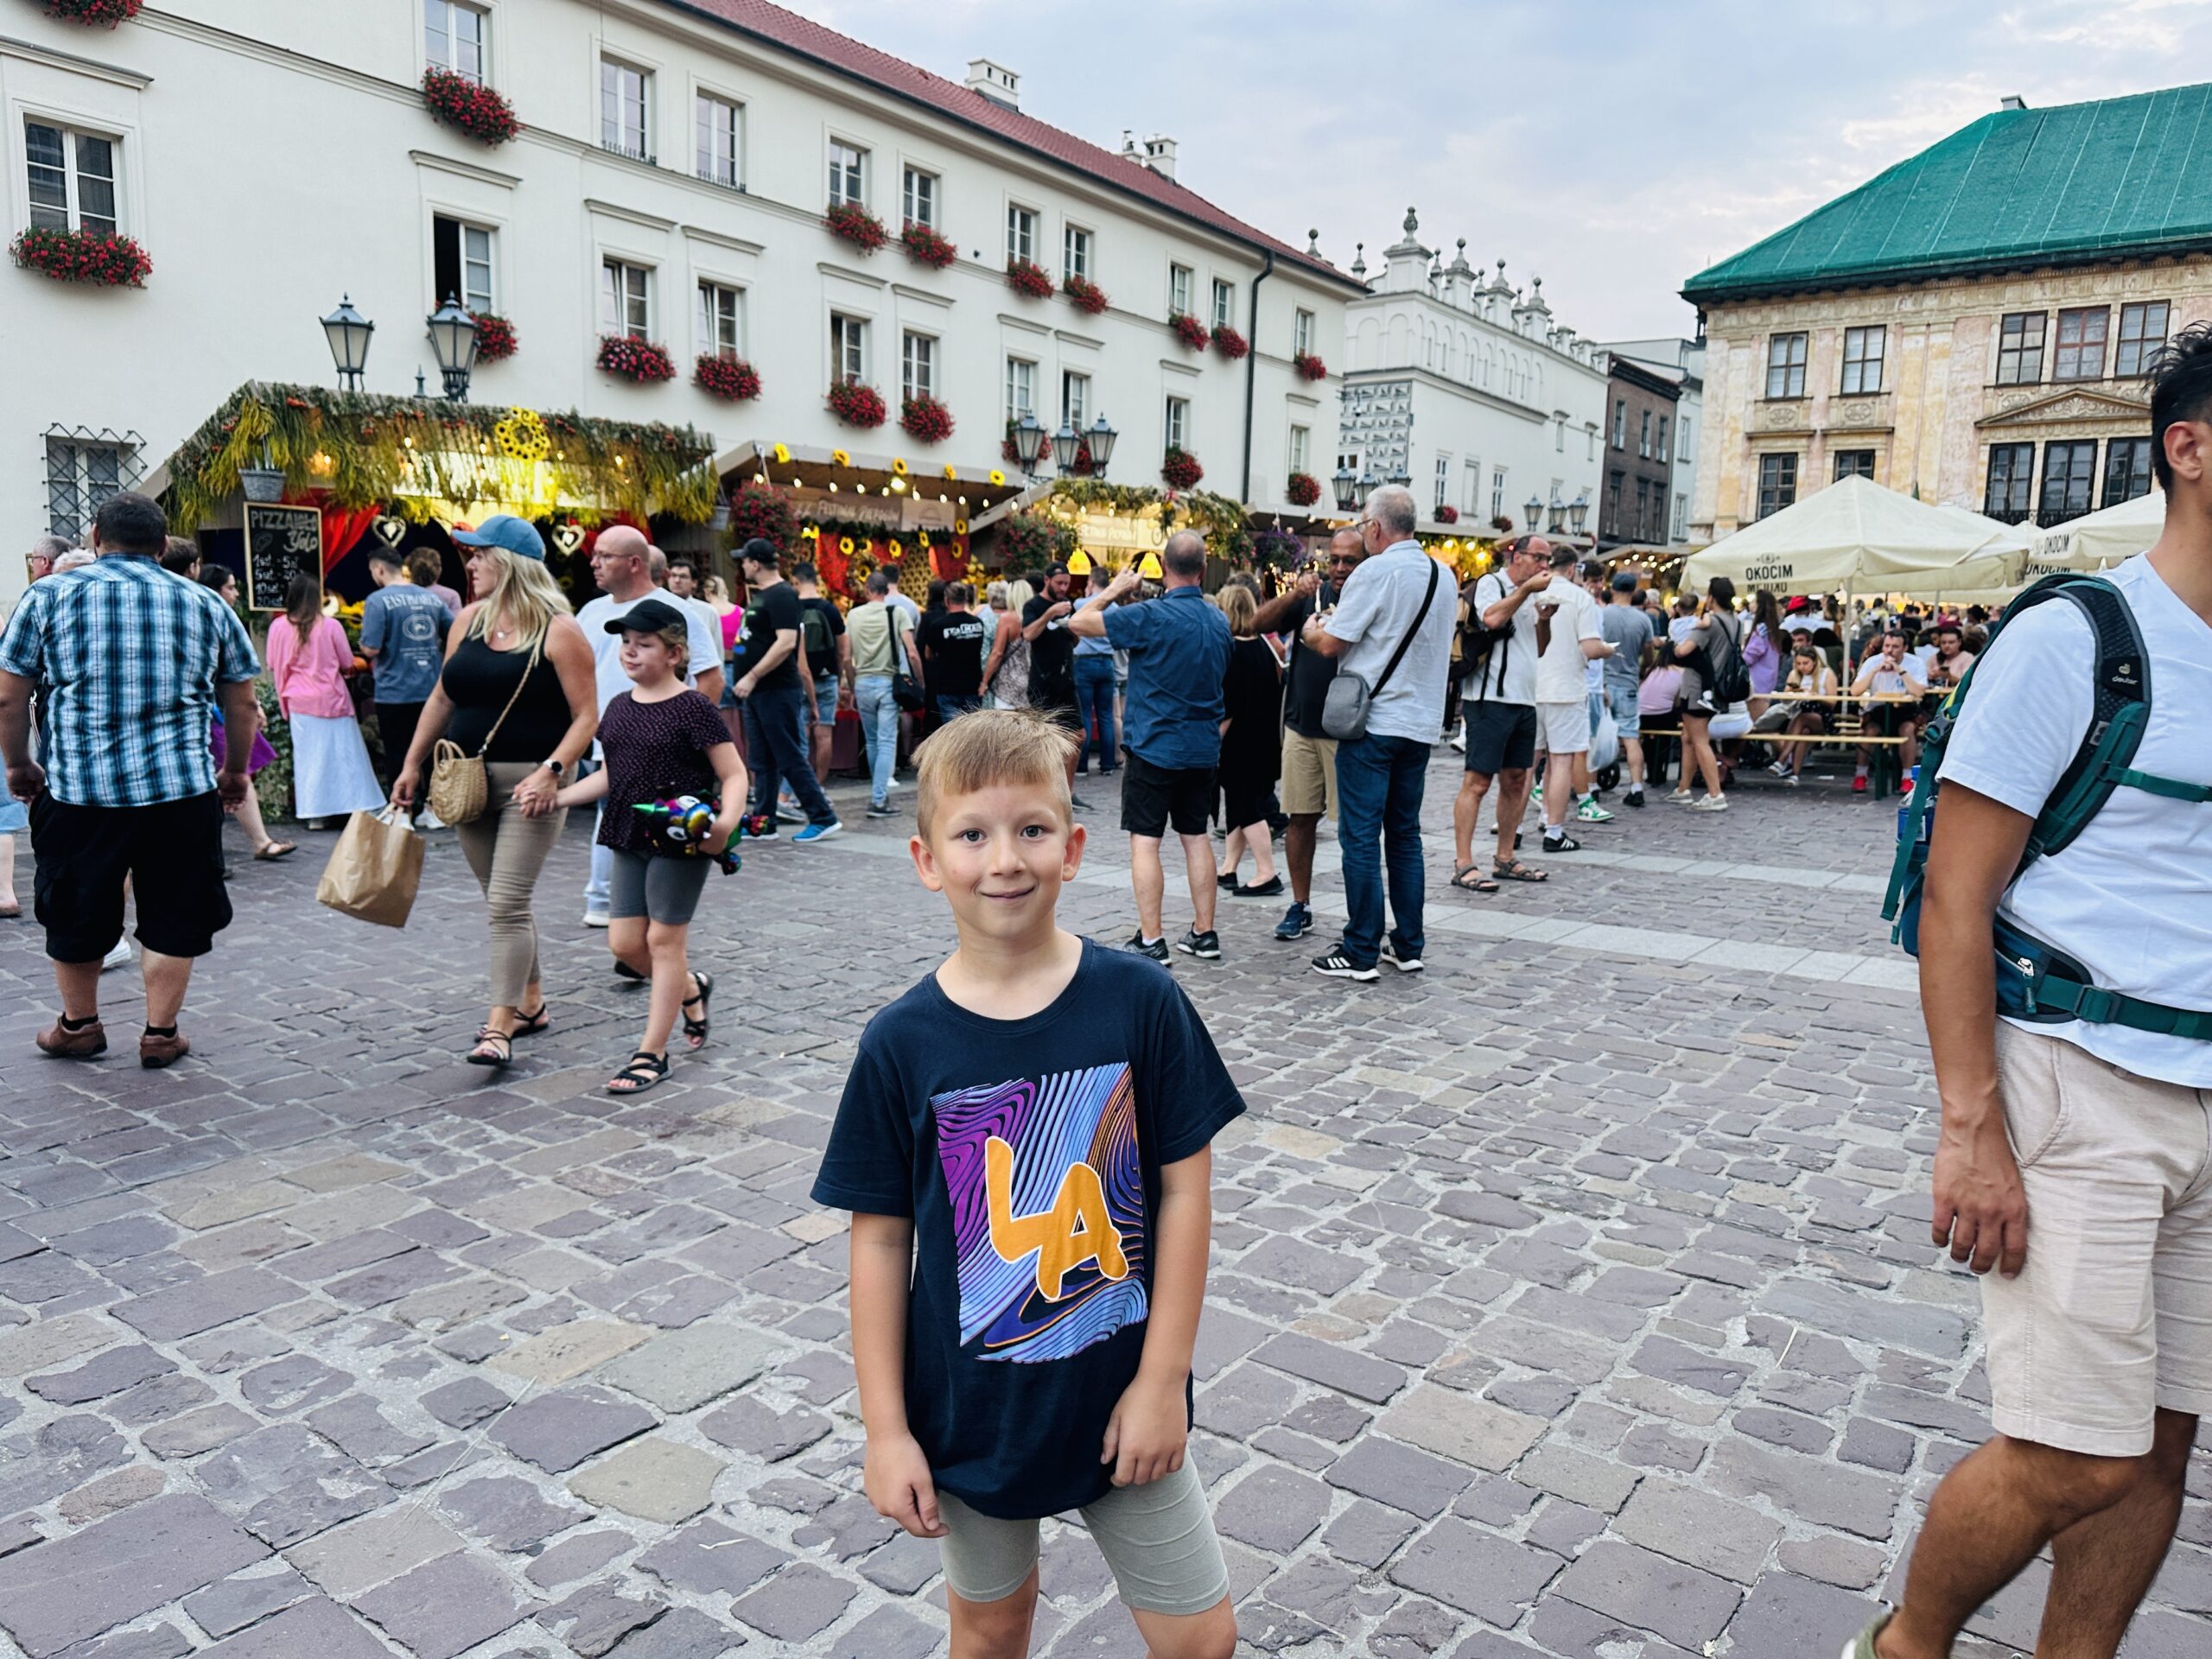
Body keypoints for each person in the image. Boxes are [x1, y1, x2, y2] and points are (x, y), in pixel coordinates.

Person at [1850, 326, 2212, 1659]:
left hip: (2210, 1099)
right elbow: (1955, 896)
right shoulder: (2080, 641)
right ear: (2191, 447)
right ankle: (1909, 1645)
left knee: (2161, 1447)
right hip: (2083, 1084)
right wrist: (1972, 1128)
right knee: (2078, 1455)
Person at [812, 709, 1242, 1659]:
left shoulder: (1141, 1002)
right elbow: (880, 1240)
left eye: (1030, 830)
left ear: (1073, 846)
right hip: (972, 1419)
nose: (1003, 859)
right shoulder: (900, 1043)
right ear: (928, 860)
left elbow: (1184, 1192)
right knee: (992, 1630)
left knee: (1200, 1637)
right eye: (972, 835)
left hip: (1121, 1399)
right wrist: (887, 1431)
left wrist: (1163, 1381)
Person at [0, 493, 259, 1067]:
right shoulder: (204, 602)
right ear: (164, 546)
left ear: (95, 538)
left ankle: (80, 1024)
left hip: (78, 792)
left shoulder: (47, 596)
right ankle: (161, 1033)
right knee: (174, 910)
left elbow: (7, 698)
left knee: (74, 907)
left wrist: (18, 763)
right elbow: (242, 703)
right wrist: (235, 772)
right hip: (180, 792)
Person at [392, 516, 598, 1066]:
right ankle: (531, 1003)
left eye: (480, 555)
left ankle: (499, 1026)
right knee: (502, 901)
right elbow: (442, 698)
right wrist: (411, 764)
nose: (471, 565)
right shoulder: (468, 620)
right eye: (470, 556)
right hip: (467, 782)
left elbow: (586, 717)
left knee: (507, 904)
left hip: (533, 785)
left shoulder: (558, 629)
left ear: (510, 563)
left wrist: (552, 770)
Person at [556, 598, 744, 1095]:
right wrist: (557, 798)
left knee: (663, 941)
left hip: (679, 838)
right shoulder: (617, 709)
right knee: (624, 944)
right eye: (625, 644)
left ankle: (651, 1052)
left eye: (644, 645)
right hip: (625, 833)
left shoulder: (693, 708)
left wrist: (724, 825)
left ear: (675, 653)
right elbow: (611, 776)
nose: (630, 653)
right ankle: (691, 987)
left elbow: (734, 772)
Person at [1300, 485, 1454, 980]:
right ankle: (1407, 944)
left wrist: (1311, 630)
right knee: (1405, 836)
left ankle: (1361, 948)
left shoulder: (1375, 570)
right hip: (1420, 722)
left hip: (1374, 722)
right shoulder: (1443, 575)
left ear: (1375, 528)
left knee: (1361, 837)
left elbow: (1331, 644)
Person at [1069, 536, 1231, 961]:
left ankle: (1151, 938)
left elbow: (1079, 623)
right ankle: (1204, 932)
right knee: (1196, 838)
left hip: (1154, 744)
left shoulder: (1152, 615)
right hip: (1201, 748)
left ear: (1163, 566)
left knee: (1145, 842)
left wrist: (1114, 590)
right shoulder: (1218, 622)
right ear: (1202, 568)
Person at [575, 526, 723, 922]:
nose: (594, 563)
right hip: (603, 737)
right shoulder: (591, 612)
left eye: (605, 556)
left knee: (638, 825)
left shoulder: (676, 611)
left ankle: (631, 916)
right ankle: (615, 912)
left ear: (634, 563)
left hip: (659, 749)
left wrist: (680, 737)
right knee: (613, 818)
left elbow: (710, 679)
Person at [1252, 531, 1364, 938]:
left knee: (1354, 828)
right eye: (1333, 560)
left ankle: (1361, 916)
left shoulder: (1367, 596)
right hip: (1301, 724)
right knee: (1300, 819)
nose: (1339, 568)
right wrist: (1292, 594)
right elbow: (1257, 623)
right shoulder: (1309, 598)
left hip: (1347, 729)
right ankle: (1300, 905)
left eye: (1349, 561)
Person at [1451, 536, 1552, 893]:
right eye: (1538, 557)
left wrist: (1544, 620)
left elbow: (1539, 648)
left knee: (1516, 780)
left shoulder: (1532, 595)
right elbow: (1491, 619)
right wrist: (1525, 594)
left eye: (1548, 560)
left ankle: (1504, 857)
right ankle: (1463, 863)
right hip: (1489, 697)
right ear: (1518, 556)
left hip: (1524, 700)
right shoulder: (1492, 584)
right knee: (1477, 782)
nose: (1544, 566)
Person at [731, 537, 841, 843]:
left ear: (755, 562)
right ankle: (764, 822)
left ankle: (822, 817)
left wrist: (752, 676)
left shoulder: (781, 595)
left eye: (744, 560)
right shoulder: (767, 595)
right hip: (760, 692)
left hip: (775, 690)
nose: (742, 566)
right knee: (763, 758)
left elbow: (786, 642)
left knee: (788, 754)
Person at [265, 574, 385, 830]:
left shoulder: (278, 627)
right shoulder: (330, 626)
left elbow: (273, 664)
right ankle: (357, 806)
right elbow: (345, 662)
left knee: (310, 760)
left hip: (298, 702)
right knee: (346, 756)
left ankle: (316, 815)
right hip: (332, 700)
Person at [193, 566, 294, 862]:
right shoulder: (213, 616)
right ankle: (253, 842)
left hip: (218, 712)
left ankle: (254, 841)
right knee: (234, 773)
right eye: (231, 587)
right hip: (213, 713)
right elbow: (236, 681)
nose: (236, 594)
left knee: (235, 773)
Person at [1529, 547, 1612, 854]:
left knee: (1529, 763)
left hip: (1532, 686)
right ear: (1573, 568)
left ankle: (1512, 828)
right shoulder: (1581, 599)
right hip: (1566, 687)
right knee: (1561, 760)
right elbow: (1590, 648)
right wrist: (1609, 650)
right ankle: (1554, 831)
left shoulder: (1534, 591)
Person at [359, 547, 453, 813]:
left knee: (399, 752)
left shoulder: (378, 601)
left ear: (379, 569)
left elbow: (372, 648)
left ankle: (405, 809)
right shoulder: (432, 598)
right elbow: (455, 631)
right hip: (431, 689)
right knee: (432, 752)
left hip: (394, 690)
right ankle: (437, 809)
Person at [1211, 584, 1281, 898]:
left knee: (1248, 808)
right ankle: (1229, 867)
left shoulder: (1232, 652)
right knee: (1239, 806)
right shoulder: (1264, 647)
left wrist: (1212, 744)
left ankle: (1267, 872)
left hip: (1239, 744)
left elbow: (1228, 707)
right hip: (1264, 739)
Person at [848, 570, 926, 819]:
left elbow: (845, 656)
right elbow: (912, 652)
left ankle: (878, 792)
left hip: (862, 682)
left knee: (872, 741)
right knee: (885, 741)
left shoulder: (853, 615)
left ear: (868, 589)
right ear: (886, 589)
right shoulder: (898, 613)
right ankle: (879, 799)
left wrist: (851, 685)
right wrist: (920, 680)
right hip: (887, 682)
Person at [1670, 576, 1742, 811]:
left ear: (1711, 597)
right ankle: (1683, 789)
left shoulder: (1709, 624)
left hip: (1697, 687)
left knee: (1700, 740)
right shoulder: (1736, 621)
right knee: (1688, 738)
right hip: (1719, 687)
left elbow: (1683, 650)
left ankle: (1715, 793)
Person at [1020, 564, 1084, 796]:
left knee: (1078, 736)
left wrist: (1074, 629)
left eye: (1066, 583)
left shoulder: (1069, 605)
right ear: (1047, 580)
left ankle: (1067, 792)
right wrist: (1050, 614)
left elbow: (1074, 641)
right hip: (1042, 682)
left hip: (1066, 679)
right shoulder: (1033, 606)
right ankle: (1043, 792)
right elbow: (1028, 634)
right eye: (1059, 583)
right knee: (1044, 740)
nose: (1063, 588)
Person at [1599, 571, 1656, 808]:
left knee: (1596, 736)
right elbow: (1649, 652)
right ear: (1634, 593)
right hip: (1629, 682)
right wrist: (1643, 668)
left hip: (1603, 682)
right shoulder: (1643, 619)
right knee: (1631, 737)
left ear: (1612, 590)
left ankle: (1590, 788)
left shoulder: (1601, 615)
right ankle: (1636, 787)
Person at [1849, 627, 1929, 791]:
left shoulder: (1915, 663)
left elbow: (1920, 692)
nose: (1889, 651)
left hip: (1905, 709)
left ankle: (1907, 777)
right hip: (1878, 709)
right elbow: (1855, 691)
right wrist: (1874, 671)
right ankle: (1861, 774)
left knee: (1907, 730)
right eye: (1887, 646)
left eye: (1895, 647)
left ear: (1905, 648)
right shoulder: (1872, 661)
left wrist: (1901, 671)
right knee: (1868, 731)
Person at [793, 560, 849, 779]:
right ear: (816, 581)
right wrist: (837, 675)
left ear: (795, 581)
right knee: (824, 735)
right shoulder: (830, 610)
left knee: (801, 736)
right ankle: (820, 783)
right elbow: (842, 650)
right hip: (827, 678)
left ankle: (800, 785)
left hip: (798, 680)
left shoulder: (792, 609)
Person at [1759, 647, 1840, 784]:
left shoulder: (1826, 674)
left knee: (1803, 719)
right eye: (1799, 663)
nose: (1802, 667)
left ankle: (1782, 760)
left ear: (1814, 662)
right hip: (1797, 712)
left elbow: (1832, 702)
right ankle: (1795, 774)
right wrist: (1792, 692)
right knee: (1804, 732)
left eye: (1805, 663)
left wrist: (1815, 696)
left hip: (1821, 715)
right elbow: (1785, 697)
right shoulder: (1794, 674)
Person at [918, 580, 988, 723]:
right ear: (966, 599)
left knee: (953, 736)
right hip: (972, 686)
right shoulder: (977, 623)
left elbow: (928, 654)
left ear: (947, 600)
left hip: (947, 687)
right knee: (972, 733)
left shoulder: (938, 625)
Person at [1072, 609, 1120, 778]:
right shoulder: (1114, 607)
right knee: (1106, 715)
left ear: (1090, 583)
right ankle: (1108, 764)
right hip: (1106, 661)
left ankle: (1082, 765)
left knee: (1084, 713)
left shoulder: (1080, 605)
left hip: (1084, 662)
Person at [981, 578, 1035, 712]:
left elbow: (997, 653)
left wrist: (984, 681)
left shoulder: (1007, 618)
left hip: (1008, 685)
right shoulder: (1037, 618)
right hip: (1032, 682)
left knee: (1006, 729)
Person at [1743, 588, 1784, 715]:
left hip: (1756, 682)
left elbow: (1752, 654)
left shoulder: (1761, 628)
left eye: (1754, 601)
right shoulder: (1772, 627)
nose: (1751, 603)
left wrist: (1739, 659)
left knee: (1755, 723)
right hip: (1768, 680)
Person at [406, 549, 463, 619]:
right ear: (439, 569)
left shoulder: (400, 596)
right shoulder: (451, 596)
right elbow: (457, 625)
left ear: (410, 569)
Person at [1927, 617, 1975, 687]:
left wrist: (1949, 677)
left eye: (1951, 642)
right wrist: (1931, 676)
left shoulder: (1967, 657)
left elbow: (1967, 682)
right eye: (1943, 643)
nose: (1946, 646)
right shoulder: (1934, 658)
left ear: (1959, 642)